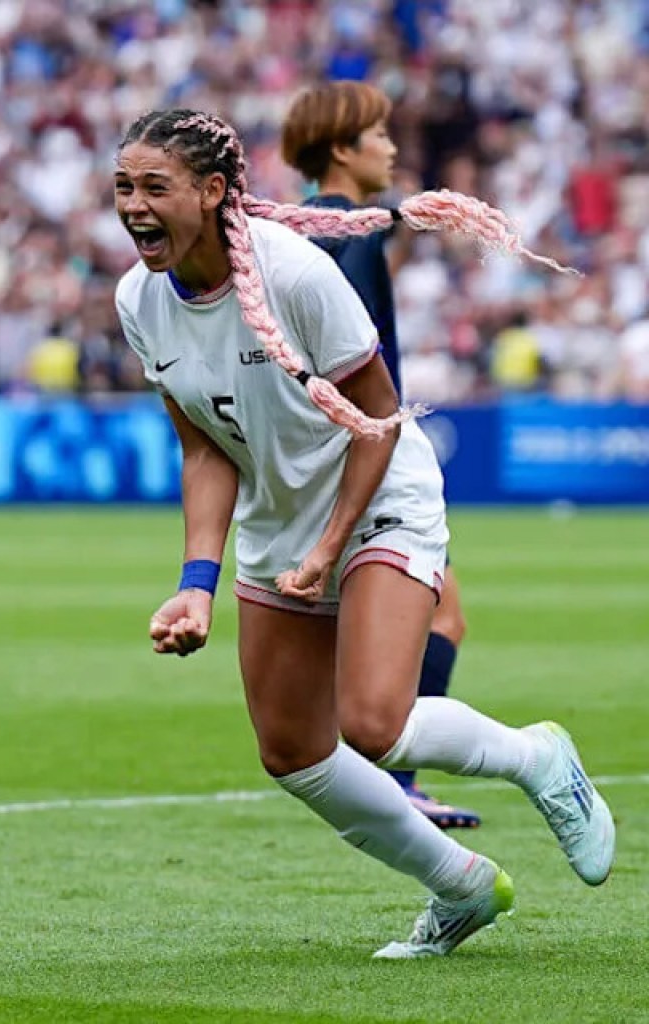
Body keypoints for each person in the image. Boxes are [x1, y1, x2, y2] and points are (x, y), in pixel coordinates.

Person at [113, 108, 614, 959]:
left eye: (154, 187)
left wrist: (329, 545)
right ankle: (460, 887)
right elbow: (204, 448)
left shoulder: (296, 275)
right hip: (281, 521)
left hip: (378, 494)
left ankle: (536, 756)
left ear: (213, 190)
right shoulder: (138, 300)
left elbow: (378, 422)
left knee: (375, 723)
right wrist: (196, 584)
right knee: (292, 751)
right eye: (123, 187)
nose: (133, 205)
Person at [279, 80, 478, 830]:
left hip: (321, 450)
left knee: (392, 618)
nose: (392, 148)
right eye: (380, 136)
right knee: (441, 613)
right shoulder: (349, 237)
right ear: (342, 149)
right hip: (369, 447)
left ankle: (388, 775)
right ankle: (394, 779)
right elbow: (355, 360)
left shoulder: (304, 228)